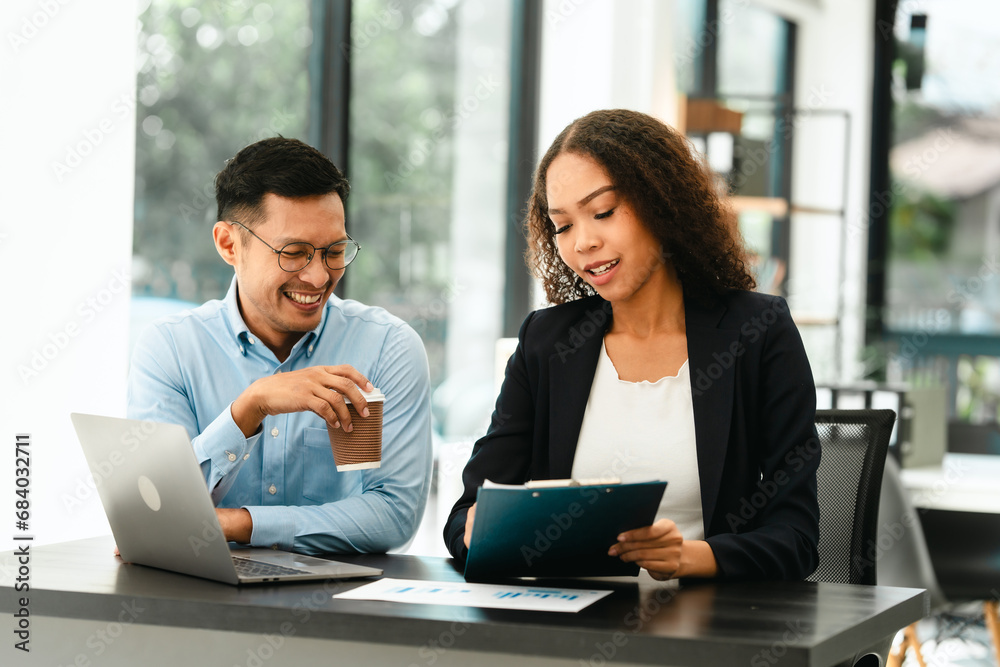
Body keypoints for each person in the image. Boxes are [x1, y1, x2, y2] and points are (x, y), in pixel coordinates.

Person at [443, 109, 820, 581]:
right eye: (562, 226)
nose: (583, 242)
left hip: (706, 628)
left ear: (663, 203)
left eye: (602, 213)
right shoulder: (547, 342)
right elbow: (466, 515)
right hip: (564, 624)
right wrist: (475, 531)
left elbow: (797, 539)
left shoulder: (758, 332)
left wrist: (691, 557)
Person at [128, 137, 433, 555]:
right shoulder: (171, 348)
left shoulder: (387, 348)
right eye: (294, 253)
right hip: (199, 603)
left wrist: (242, 523)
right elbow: (155, 511)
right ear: (229, 245)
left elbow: (393, 515)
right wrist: (249, 408)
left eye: (334, 251)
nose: (318, 277)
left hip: (342, 606)